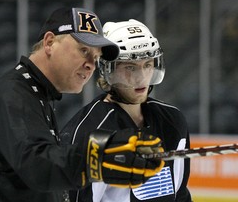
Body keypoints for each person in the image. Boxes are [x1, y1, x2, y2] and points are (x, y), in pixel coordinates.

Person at [0, 8, 164, 202]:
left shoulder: (36, 95)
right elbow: (38, 166)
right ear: (49, 43)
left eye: (96, 57)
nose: (91, 64)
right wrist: (97, 157)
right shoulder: (11, 95)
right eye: (84, 50)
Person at [61, 19, 192, 202]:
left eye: (147, 65)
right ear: (108, 69)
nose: (141, 77)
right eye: (130, 67)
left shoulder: (172, 120)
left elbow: (180, 194)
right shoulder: (88, 131)